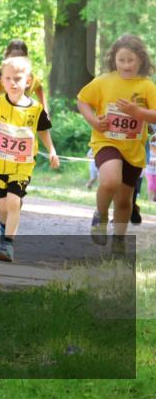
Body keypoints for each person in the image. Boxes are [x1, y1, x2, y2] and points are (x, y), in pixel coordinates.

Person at [0, 56, 59, 262]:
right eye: (8, 79)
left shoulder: (36, 109)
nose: (13, 83)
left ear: (28, 81)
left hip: (23, 166)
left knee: (14, 202)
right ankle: (3, 227)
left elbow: (43, 131)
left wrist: (51, 150)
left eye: (17, 78)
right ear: (2, 82)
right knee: (3, 207)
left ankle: (8, 244)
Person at [76, 34, 156, 254]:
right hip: (106, 141)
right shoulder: (103, 81)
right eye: (122, 60)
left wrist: (139, 112)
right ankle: (100, 216)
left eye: (131, 60)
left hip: (133, 149)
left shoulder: (147, 86)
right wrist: (93, 120)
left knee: (124, 201)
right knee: (110, 181)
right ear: (114, 60)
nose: (127, 65)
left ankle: (119, 239)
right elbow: (83, 100)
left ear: (140, 59)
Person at [0, 39, 48, 112]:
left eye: (20, 59)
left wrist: (46, 114)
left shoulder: (30, 77)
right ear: (6, 57)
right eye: (13, 59)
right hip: (2, 120)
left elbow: (39, 88)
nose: (15, 63)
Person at [145, 132, 156, 202]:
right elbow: (147, 156)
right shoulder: (150, 145)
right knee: (151, 184)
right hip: (150, 169)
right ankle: (150, 200)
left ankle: (154, 200)